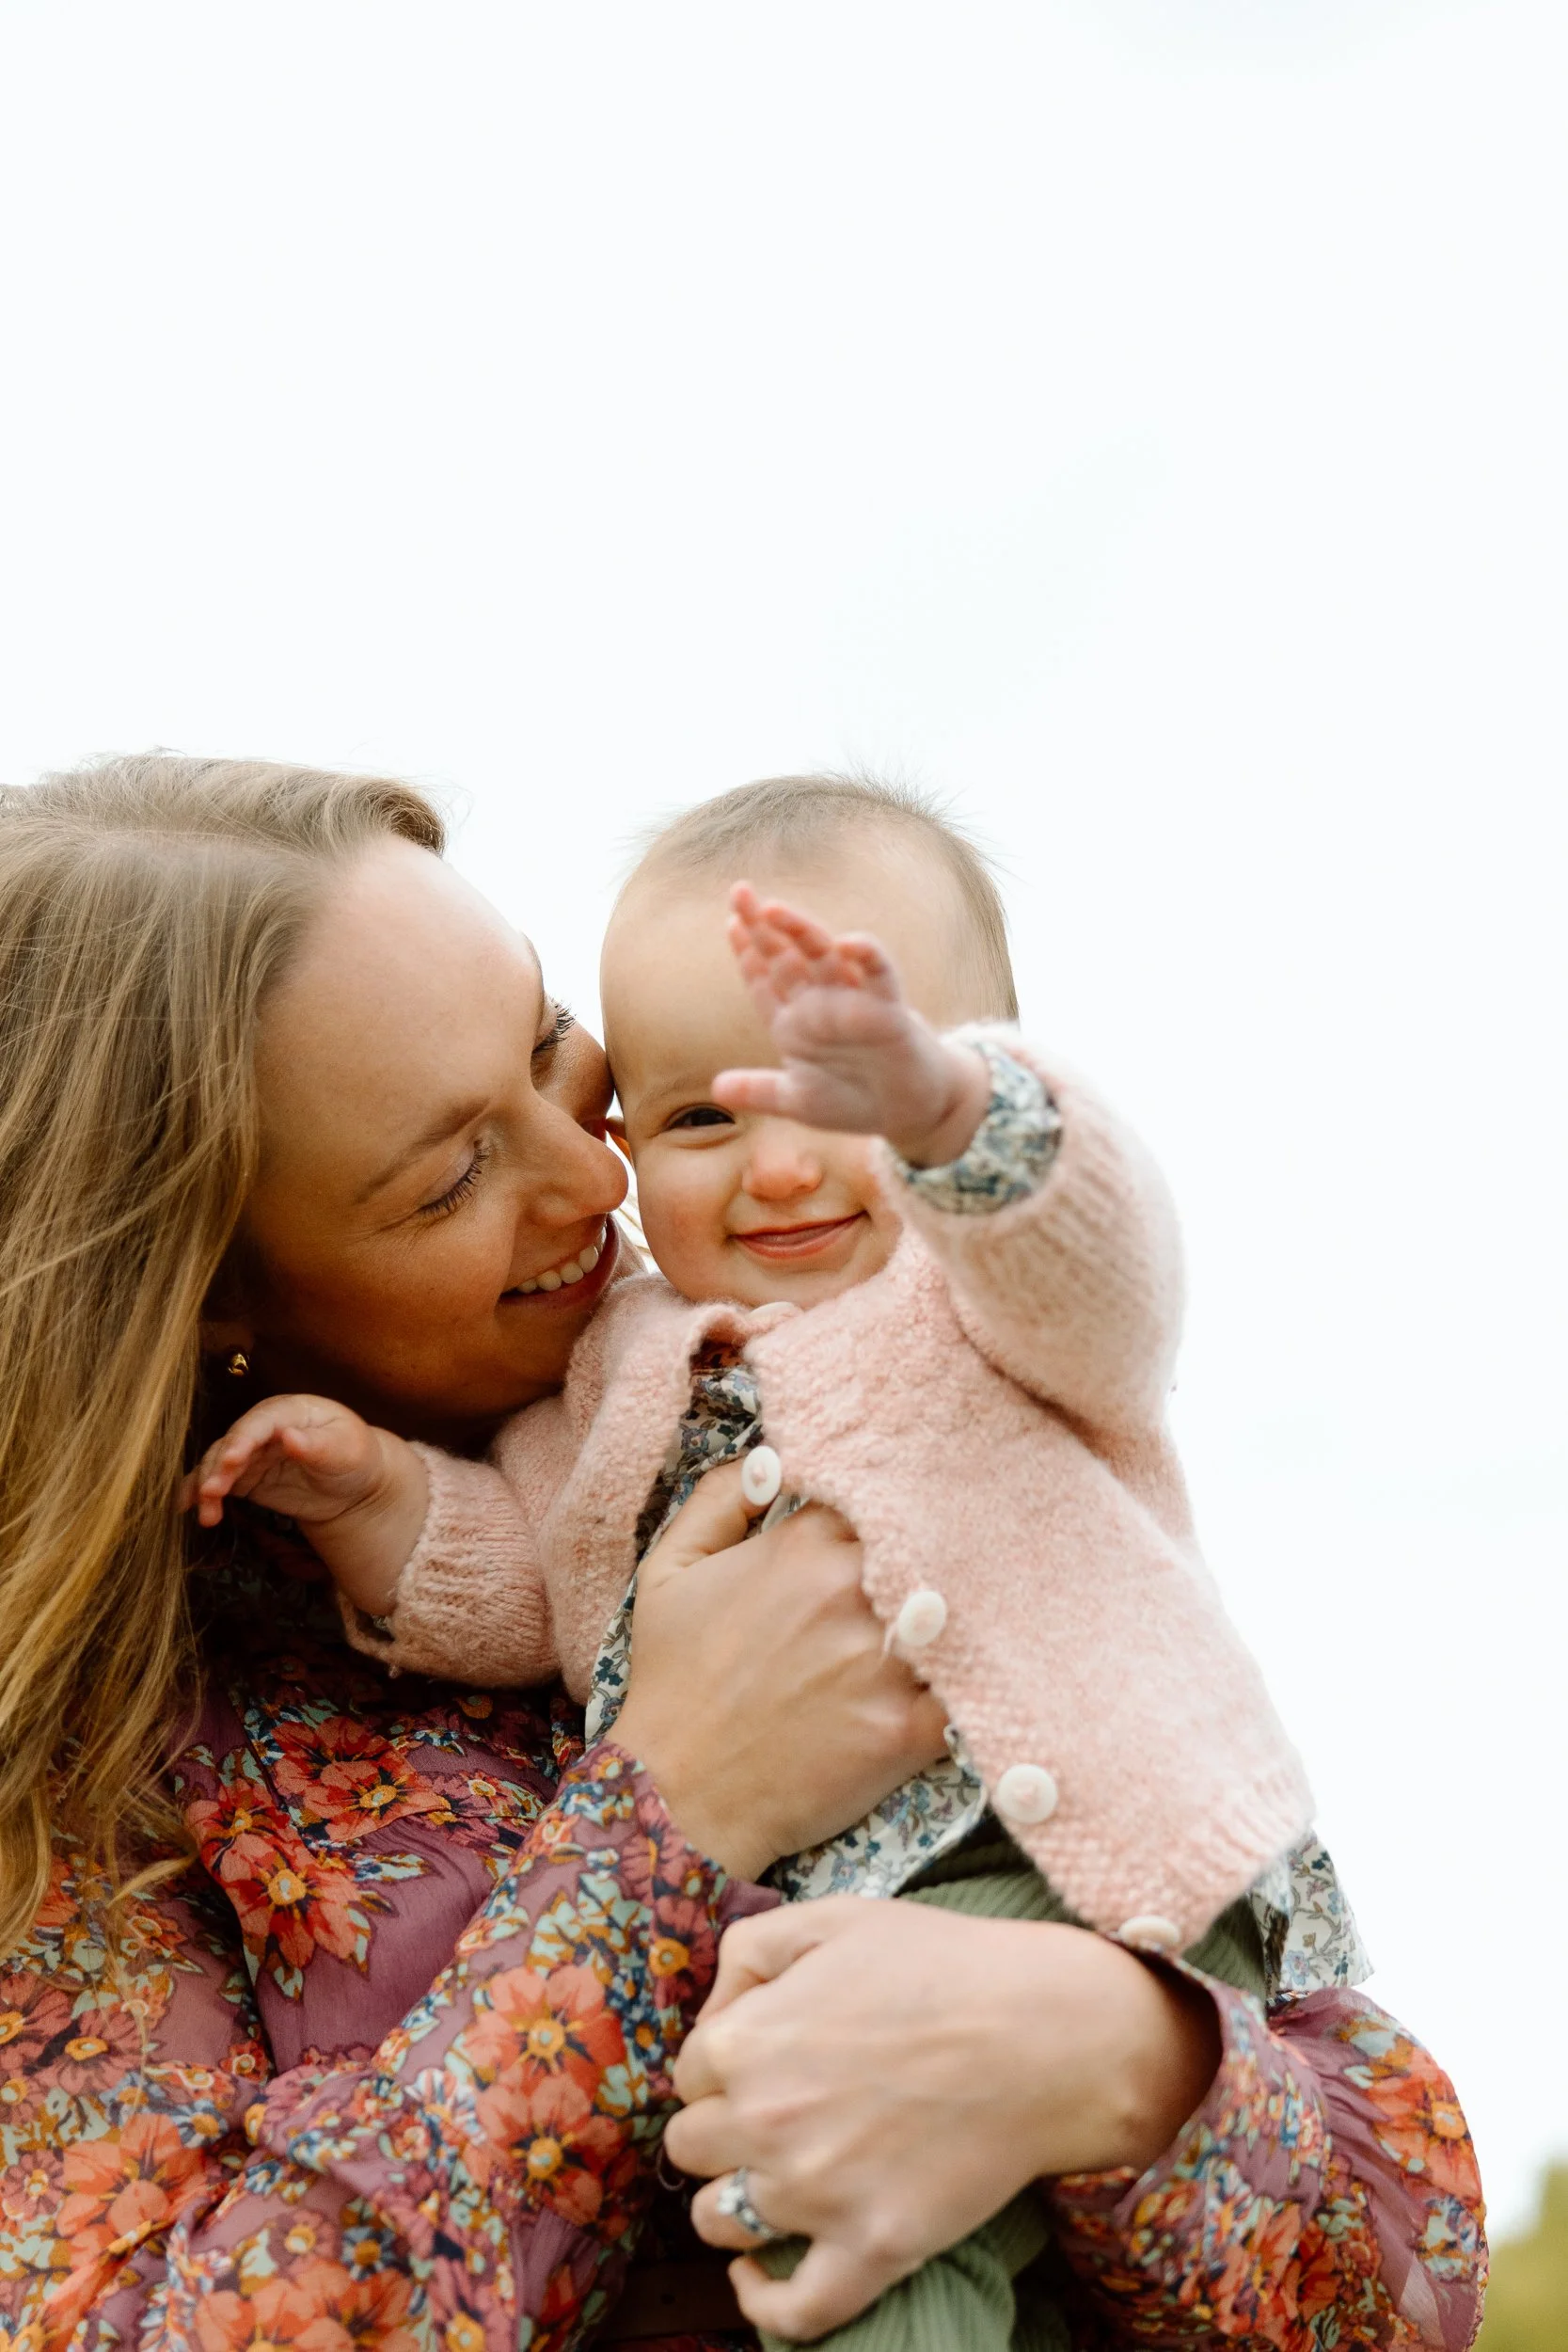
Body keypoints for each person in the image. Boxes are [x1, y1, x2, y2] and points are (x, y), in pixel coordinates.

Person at [0, 755, 1484, 2352]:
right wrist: (675, 1811)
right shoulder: (91, 1765)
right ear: (209, 1293)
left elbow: (1412, 2275)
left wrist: (1115, 2056)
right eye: (448, 1176)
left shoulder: (790, 1373)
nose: (596, 1176)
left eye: (554, 1050)